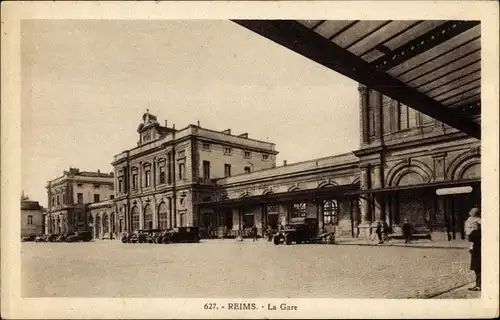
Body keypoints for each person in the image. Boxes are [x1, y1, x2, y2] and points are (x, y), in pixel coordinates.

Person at [466, 208, 481, 291]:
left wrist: (473, 230)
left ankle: (479, 285)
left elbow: (470, 238)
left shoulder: (477, 232)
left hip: (477, 250)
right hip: (478, 248)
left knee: (478, 268)